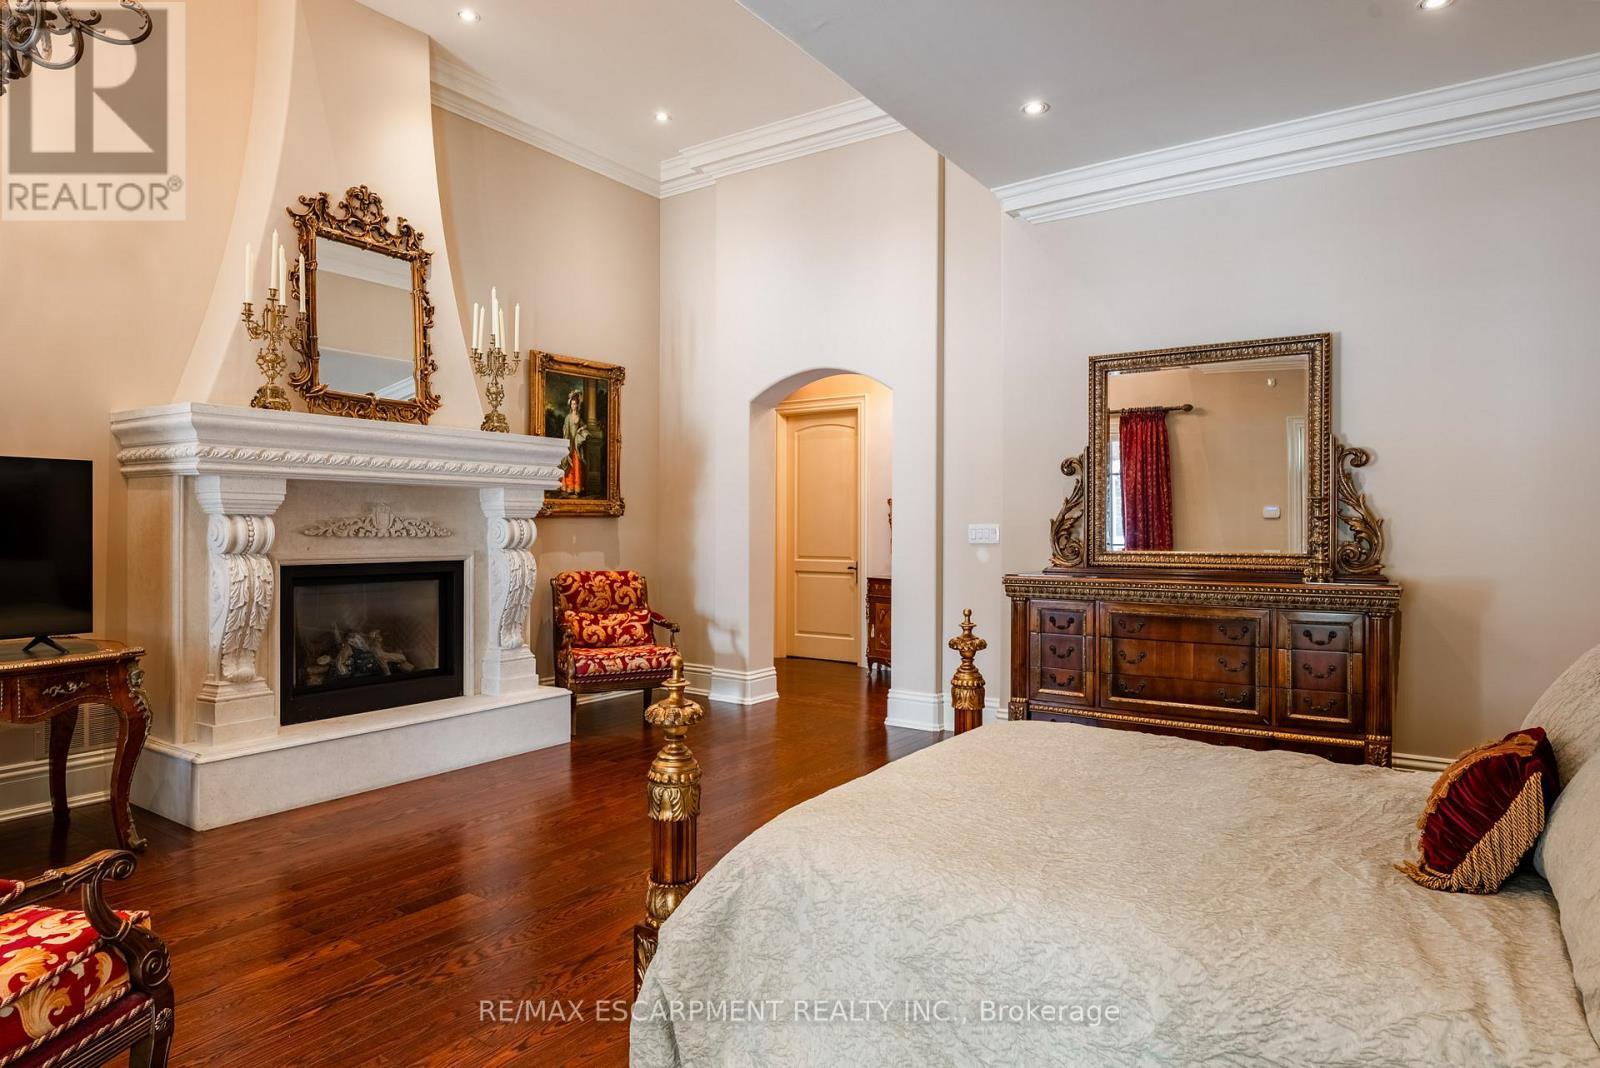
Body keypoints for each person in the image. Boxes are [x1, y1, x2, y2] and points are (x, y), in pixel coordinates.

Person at [560, 388, 587, 494]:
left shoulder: (579, 417)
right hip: (570, 443)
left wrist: (580, 429)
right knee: (569, 465)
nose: (573, 406)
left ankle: (577, 487)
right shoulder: (567, 418)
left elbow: (584, 425)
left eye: (575, 404)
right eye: (572, 404)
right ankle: (569, 486)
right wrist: (567, 445)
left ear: (577, 405)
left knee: (577, 465)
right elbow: (566, 432)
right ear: (570, 405)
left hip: (577, 444)